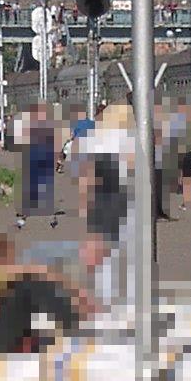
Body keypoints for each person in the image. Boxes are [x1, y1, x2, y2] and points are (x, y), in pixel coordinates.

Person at [75, 103, 136, 309]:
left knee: (104, 255)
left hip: (101, 199)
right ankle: (132, 301)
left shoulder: (91, 140)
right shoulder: (131, 139)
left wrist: (85, 205)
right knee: (129, 252)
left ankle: (105, 301)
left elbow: (87, 176)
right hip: (127, 198)